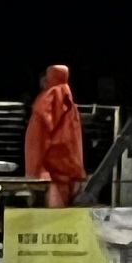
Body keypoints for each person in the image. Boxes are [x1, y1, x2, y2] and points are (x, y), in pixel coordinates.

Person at [24, 65, 86, 207]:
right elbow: (75, 144)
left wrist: (32, 172)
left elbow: (36, 141)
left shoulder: (46, 103)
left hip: (51, 174)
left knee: (53, 217)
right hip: (66, 172)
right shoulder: (68, 103)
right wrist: (78, 173)